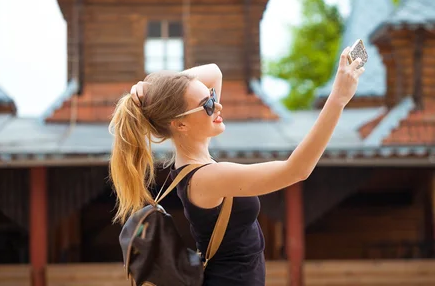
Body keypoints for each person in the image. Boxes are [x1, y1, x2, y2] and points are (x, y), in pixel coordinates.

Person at [109, 46, 365, 285]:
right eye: (207, 105)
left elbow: (214, 71)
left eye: (211, 95)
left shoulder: (195, 159)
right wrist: (338, 99)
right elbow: (297, 169)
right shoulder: (207, 177)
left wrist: (156, 91)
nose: (217, 104)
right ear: (181, 125)